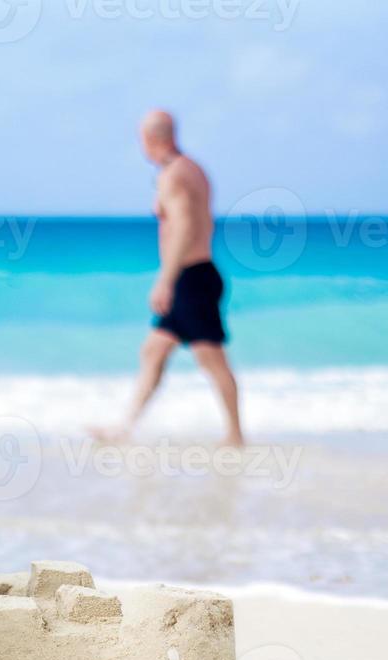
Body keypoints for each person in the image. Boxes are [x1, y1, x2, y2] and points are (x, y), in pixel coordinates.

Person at [94, 110, 244, 447]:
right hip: (197, 274)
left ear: (153, 139)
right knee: (154, 350)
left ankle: (236, 435)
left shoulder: (172, 175)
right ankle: (125, 428)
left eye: (142, 142)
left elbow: (185, 227)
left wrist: (165, 279)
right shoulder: (194, 169)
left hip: (190, 277)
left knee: (210, 357)